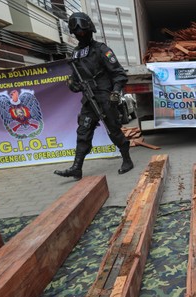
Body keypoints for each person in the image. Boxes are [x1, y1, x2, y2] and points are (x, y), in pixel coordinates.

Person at [54, 12, 133, 180]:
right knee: (83, 131)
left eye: (83, 31)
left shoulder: (101, 50)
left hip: (105, 98)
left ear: (89, 30)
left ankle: (127, 160)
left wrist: (116, 92)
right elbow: (75, 80)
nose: (80, 35)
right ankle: (77, 167)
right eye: (77, 33)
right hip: (89, 100)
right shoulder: (75, 54)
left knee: (113, 130)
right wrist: (72, 84)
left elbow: (119, 74)